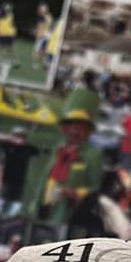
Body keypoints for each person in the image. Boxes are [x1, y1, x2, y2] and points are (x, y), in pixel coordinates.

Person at [38, 90, 102, 232]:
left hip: (69, 210)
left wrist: (76, 194)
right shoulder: (58, 148)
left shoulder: (93, 154)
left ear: (87, 131)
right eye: (72, 127)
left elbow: (94, 185)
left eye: (80, 128)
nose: (75, 132)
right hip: (45, 205)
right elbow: (46, 175)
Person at [32, 3, 52, 69]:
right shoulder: (48, 17)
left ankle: (36, 64)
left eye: (40, 9)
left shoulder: (44, 17)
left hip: (43, 36)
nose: (39, 11)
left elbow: (41, 26)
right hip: (46, 36)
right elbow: (43, 26)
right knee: (42, 51)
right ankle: (43, 62)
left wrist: (37, 32)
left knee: (38, 51)